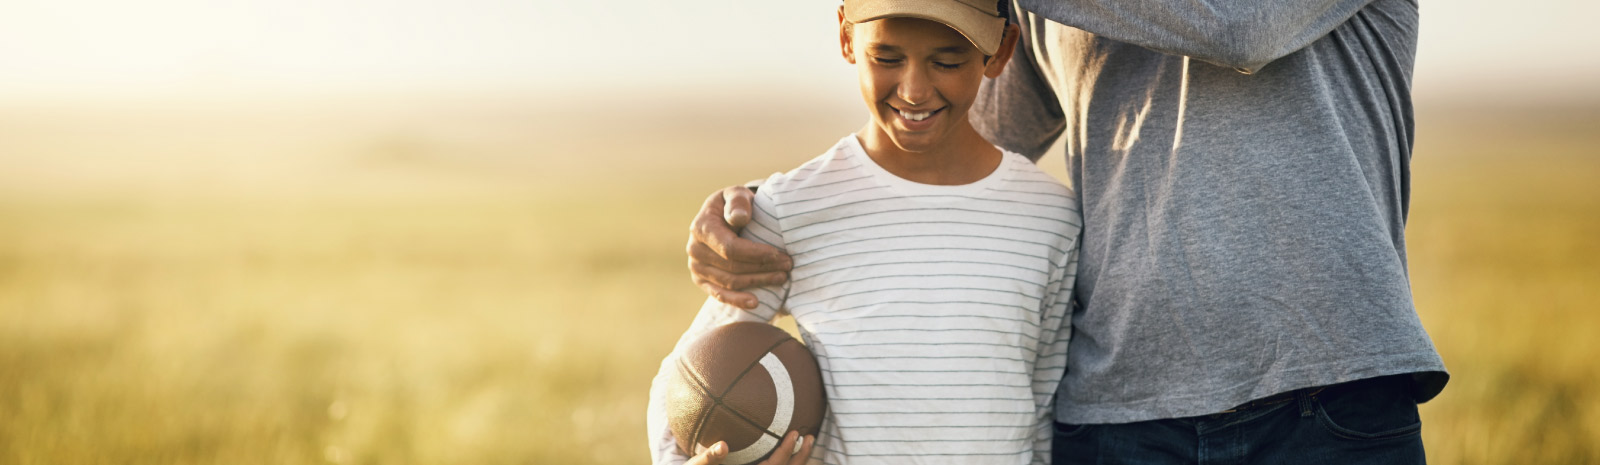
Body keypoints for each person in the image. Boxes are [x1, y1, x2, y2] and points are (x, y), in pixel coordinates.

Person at [686, 0, 1449, 463]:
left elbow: (1237, 25)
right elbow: (959, 141)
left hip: (1325, 398)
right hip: (1117, 418)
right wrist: (766, 208)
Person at [649, 1, 1083, 464]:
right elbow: (687, 380)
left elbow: (1042, 412)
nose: (914, 90)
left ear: (1000, 49)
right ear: (845, 36)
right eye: (887, 58)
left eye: (947, 61)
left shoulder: (1049, 217)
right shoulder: (791, 207)